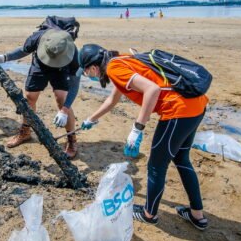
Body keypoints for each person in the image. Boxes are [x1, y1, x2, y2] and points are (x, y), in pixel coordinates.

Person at [78, 44, 210, 230]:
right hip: (196, 104)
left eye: (85, 72)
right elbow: (112, 100)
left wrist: (137, 128)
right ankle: (197, 215)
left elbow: (152, 90)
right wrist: (91, 119)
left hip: (177, 110)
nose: (88, 76)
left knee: (156, 166)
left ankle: (149, 214)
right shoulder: (120, 60)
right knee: (181, 159)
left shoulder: (114, 69)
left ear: (92, 67)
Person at [0, 26, 81, 158]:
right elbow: (23, 50)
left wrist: (65, 110)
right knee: (30, 97)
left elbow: (74, 86)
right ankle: (25, 131)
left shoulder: (73, 54)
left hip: (62, 69)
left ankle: (71, 139)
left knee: (62, 98)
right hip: (40, 65)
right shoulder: (38, 37)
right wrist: (5, 57)